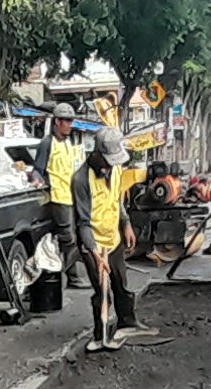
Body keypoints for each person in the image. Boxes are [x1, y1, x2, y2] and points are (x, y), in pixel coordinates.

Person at [72, 126, 141, 349]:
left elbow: (117, 201)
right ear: (97, 153)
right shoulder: (81, 179)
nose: (110, 166)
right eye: (107, 161)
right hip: (93, 243)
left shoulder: (116, 169)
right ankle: (100, 334)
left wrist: (126, 223)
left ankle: (127, 322)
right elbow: (82, 223)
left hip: (114, 239)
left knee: (121, 283)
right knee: (102, 289)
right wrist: (95, 254)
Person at [36, 103, 90, 293]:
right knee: (69, 239)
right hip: (58, 198)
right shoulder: (47, 143)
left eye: (71, 121)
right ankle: (59, 276)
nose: (70, 124)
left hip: (72, 197)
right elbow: (38, 171)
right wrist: (38, 182)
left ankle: (68, 275)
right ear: (57, 122)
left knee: (74, 239)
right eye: (66, 121)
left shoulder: (68, 143)